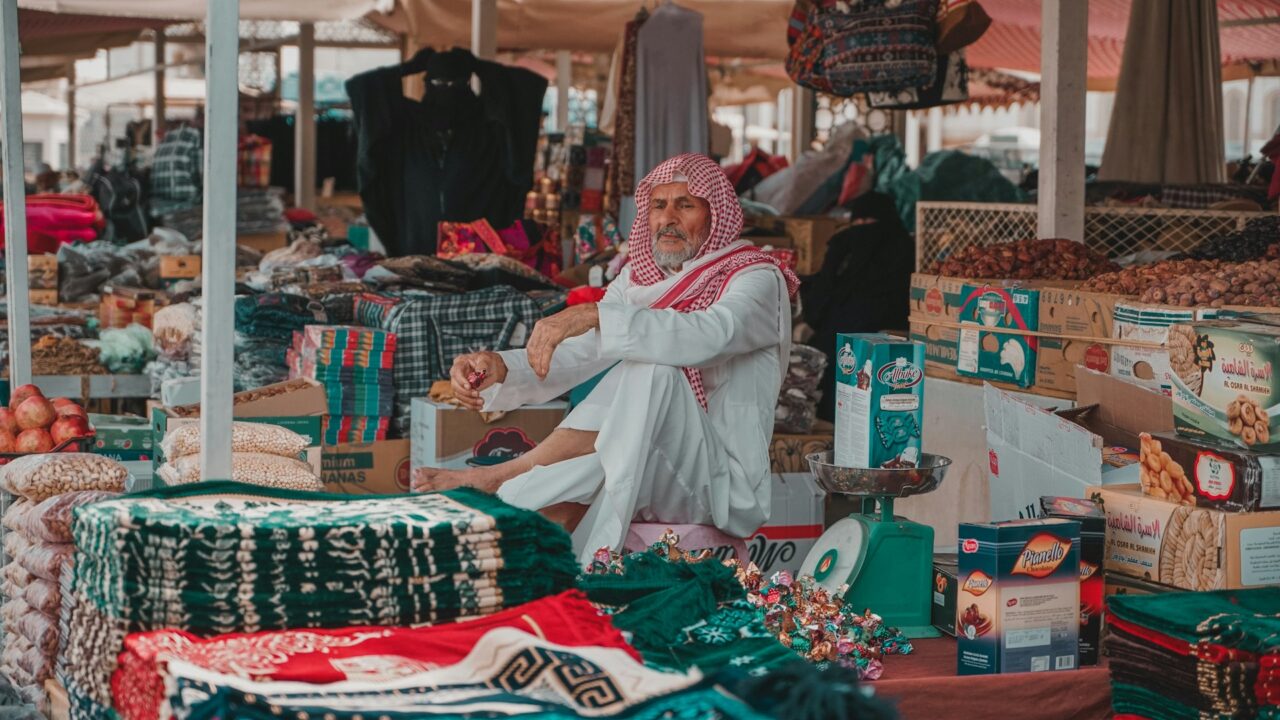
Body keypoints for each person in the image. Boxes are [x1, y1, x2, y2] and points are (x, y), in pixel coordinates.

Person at [414, 153, 799, 563]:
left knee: (655, 370)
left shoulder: (756, 278)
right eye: (657, 205)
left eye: (684, 205)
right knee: (595, 460)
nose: (667, 218)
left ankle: (501, 476)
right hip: (649, 459)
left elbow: (709, 335)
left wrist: (594, 313)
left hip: (718, 484)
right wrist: (503, 367)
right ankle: (534, 515)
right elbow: (581, 353)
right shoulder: (640, 278)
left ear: (714, 213)